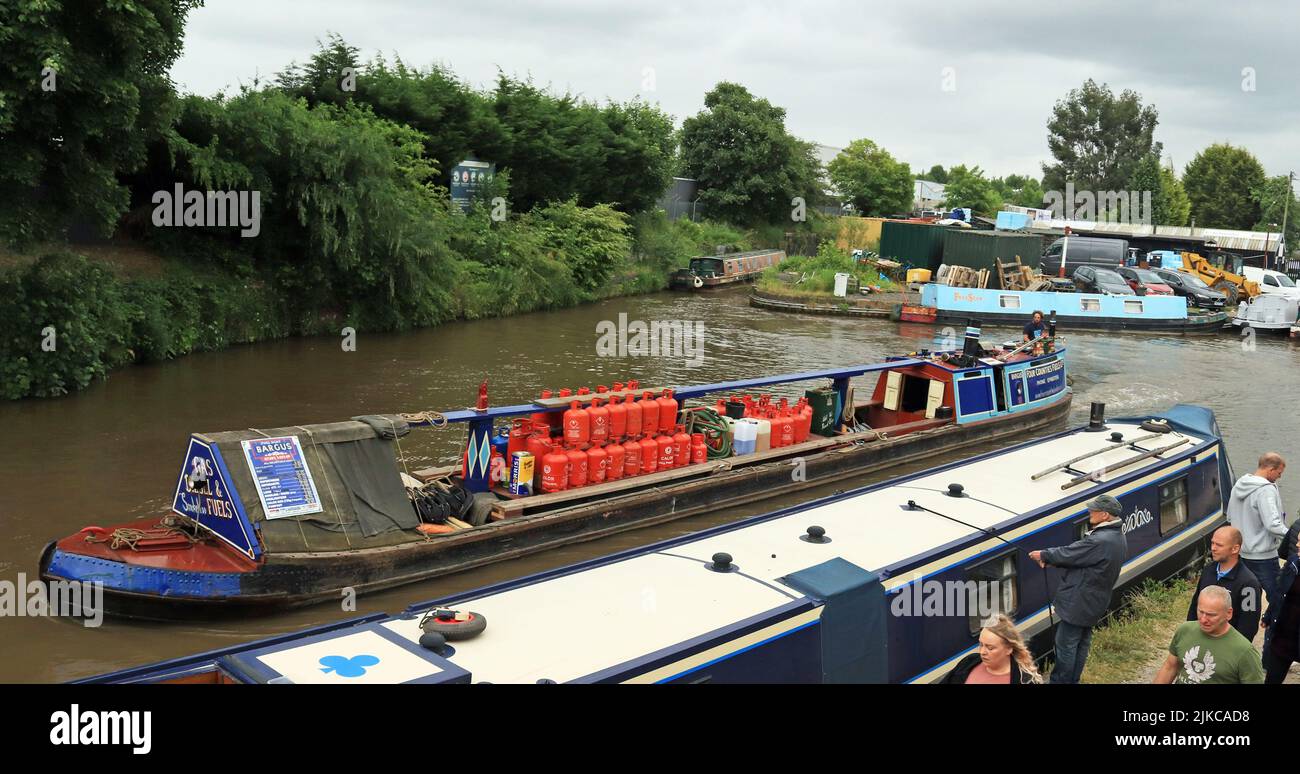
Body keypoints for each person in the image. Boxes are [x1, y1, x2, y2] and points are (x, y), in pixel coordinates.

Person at [1028, 494, 1128, 684]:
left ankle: (1061, 682)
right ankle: (1073, 680)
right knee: (1082, 643)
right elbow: (1088, 561)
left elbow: (1071, 553)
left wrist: (1043, 555)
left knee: (1066, 645)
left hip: (1078, 603)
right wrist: (1053, 563)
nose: (1090, 512)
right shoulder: (1118, 537)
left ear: (1105, 515)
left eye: (1094, 510)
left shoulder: (1099, 540)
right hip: (1095, 601)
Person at [1154, 586, 1264, 684]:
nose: (1203, 619)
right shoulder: (1185, 630)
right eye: (1201, 612)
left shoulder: (1245, 651)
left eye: (1211, 615)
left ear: (1229, 613)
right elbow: (1170, 667)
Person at [1227, 452, 1289, 617]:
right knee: (1278, 597)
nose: (1279, 477)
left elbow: (1229, 517)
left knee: (1248, 599)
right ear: (1270, 469)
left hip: (1241, 554)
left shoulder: (1238, 485)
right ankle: (1274, 634)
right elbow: (1273, 524)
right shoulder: (1265, 490)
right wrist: (1292, 535)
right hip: (1263, 557)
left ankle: (1244, 630)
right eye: (1279, 473)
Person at [1186, 525, 1262, 642]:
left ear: (1235, 549)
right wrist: (1190, 633)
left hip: (1226, 645)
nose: (1213, 548)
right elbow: (1195, 604)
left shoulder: (1249, 584)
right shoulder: (1208, 570)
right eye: (1212, 543)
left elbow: (1248, 625)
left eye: (1219, 545)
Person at [940, 614, 1043, 684]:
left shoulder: (1026, 680)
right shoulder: (968, 663)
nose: (982, 652)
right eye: (981, 645)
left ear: (1009, 649)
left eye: (990, 648)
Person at [1262, 522, 1300, 684]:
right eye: (1297, 540)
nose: (1297, 545)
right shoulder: (1293, 562)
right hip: (1284, 636)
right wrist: (1269, 615)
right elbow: (1280, 592)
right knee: (1272, 679)